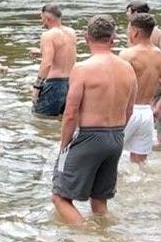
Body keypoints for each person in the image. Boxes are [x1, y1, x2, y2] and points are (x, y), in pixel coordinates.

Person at [51, 16, 136, 226]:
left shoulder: (82, 68)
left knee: (60, 197)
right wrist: (115, 134)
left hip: (90, 136)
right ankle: (104, 238)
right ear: (113, 39)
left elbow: (70, 112)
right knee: (99, 199)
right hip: (116, 136)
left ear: (86, 37)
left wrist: (64, 145)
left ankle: (87, 240)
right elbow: (129, 110)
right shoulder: (127, 68)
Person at [119, 13, 161, 164]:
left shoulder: (127, 54)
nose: (127, 32)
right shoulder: (159, 55)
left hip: (128, 112)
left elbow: (117, 85)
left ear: (135, 31)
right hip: (147, 113)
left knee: (109, 158)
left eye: (128, 29)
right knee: (139, 164)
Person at [32, 4, 77, 117]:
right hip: (71, 82)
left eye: (41, 18)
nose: (41, 21)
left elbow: (46, 64)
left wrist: (37, 88)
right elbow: (66, 54)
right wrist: (41, 52)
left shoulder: (47, 35)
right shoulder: (71, 32)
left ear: (48, 18)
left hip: (55, 85)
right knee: (63, 119)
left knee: (40, 119)